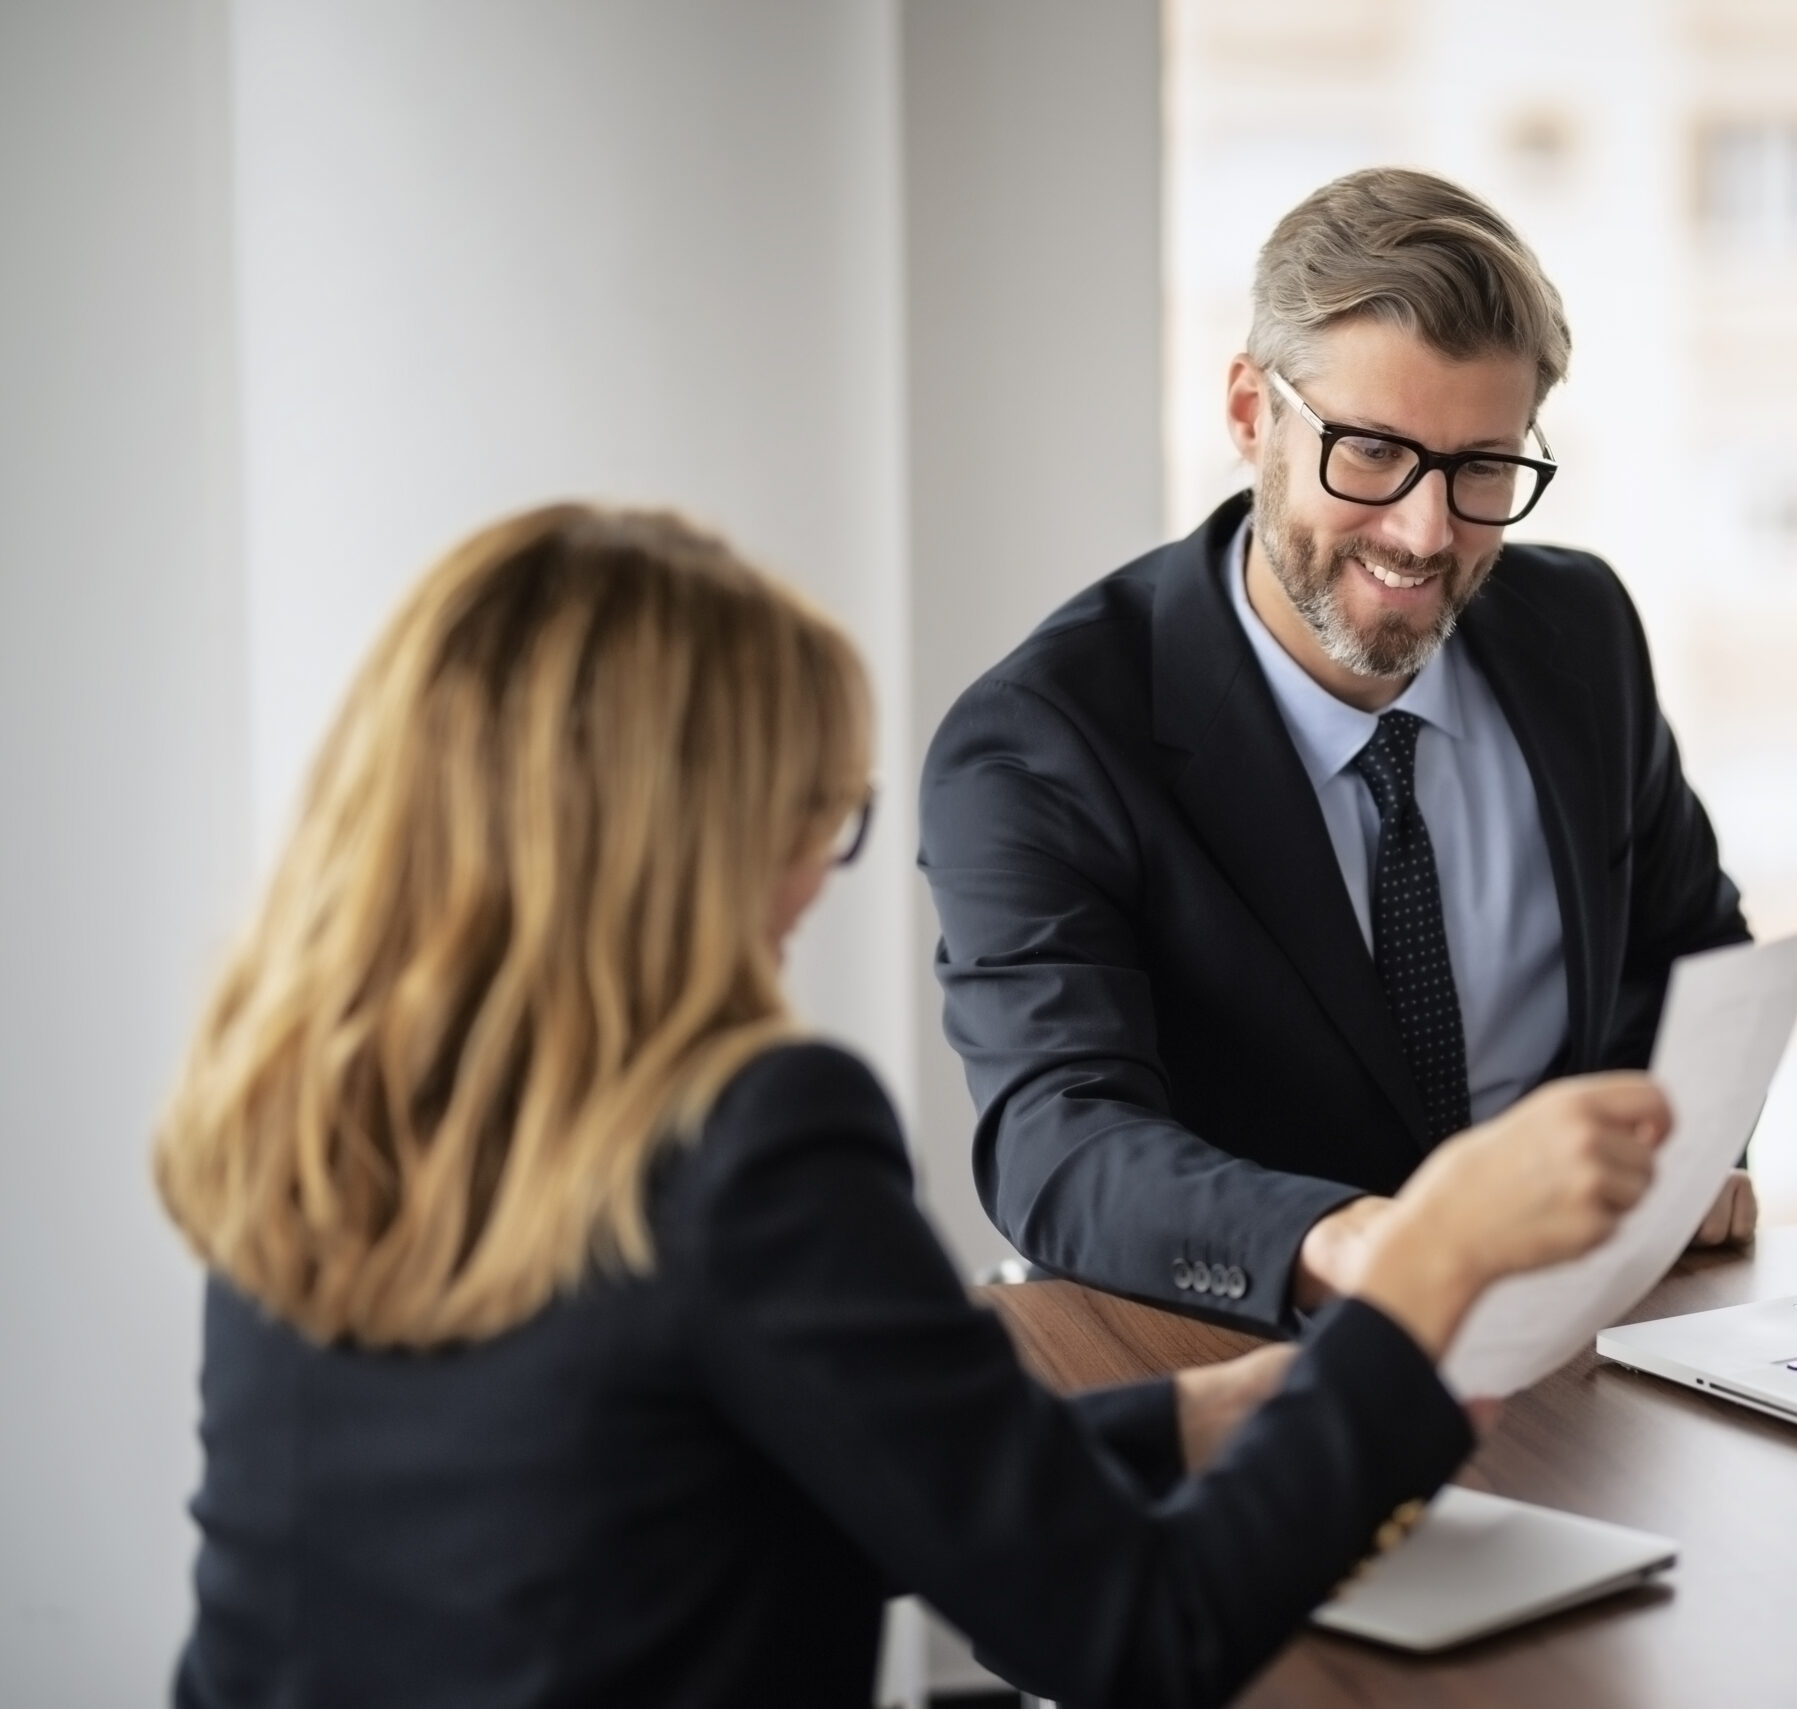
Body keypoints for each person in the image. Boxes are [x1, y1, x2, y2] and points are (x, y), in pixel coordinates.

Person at [152, 505, 1672, 1709]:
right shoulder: (750, 1137)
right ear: (678, 836)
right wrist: (1427, 1277)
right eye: (820, 810)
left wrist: (1209, 1417)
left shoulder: (309, 1102)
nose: (820, 876)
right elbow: (1137, 1637)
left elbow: (697, 1498)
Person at [923, 167, 1754, 1331]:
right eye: (1369, 452)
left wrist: (1678, 1147)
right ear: (1250, 414)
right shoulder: (1040, 741)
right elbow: (1060, 1141)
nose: (1425, 533)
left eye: (1481, 468)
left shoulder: (1582, 631)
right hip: (1242, 1361)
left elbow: (1688, 954)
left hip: (1584, 1331)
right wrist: (1370, 1245)